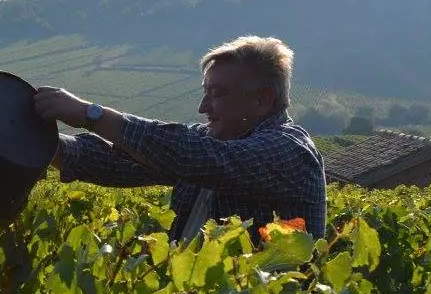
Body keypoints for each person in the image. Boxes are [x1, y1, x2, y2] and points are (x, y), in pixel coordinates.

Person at [32, 35, 327, 244]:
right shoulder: (210, 141)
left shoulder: (290, 150)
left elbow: (202, 158)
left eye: (218, 94)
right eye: (205, 91)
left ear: (263, 101)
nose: (203, 107)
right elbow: (114, 163)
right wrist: (32, 141)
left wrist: (91, 114)